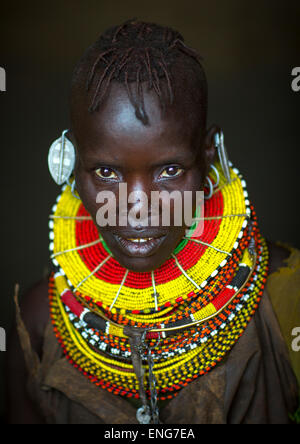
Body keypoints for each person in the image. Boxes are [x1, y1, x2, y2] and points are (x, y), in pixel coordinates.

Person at [6, 19, 300, 424]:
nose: (139, 206)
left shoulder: (288, 303)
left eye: (170, 170)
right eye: (107, 172)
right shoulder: (37, 324)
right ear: (71, 163)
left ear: (209, 155)